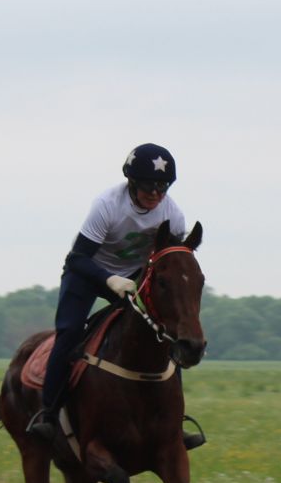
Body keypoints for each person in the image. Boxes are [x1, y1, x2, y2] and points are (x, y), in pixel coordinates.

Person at [26, 143, 191, 443]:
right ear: (131, 183)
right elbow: (75, 259)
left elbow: (171, 262)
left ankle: (175, 424)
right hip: (88, 273)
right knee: (70, 332)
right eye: (147, 187)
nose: (154, 194)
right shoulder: (107, 205)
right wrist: (109, 279)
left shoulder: (173, 216)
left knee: (165, 335)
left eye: (162, 187)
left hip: (132, 277)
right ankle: (49, 415)